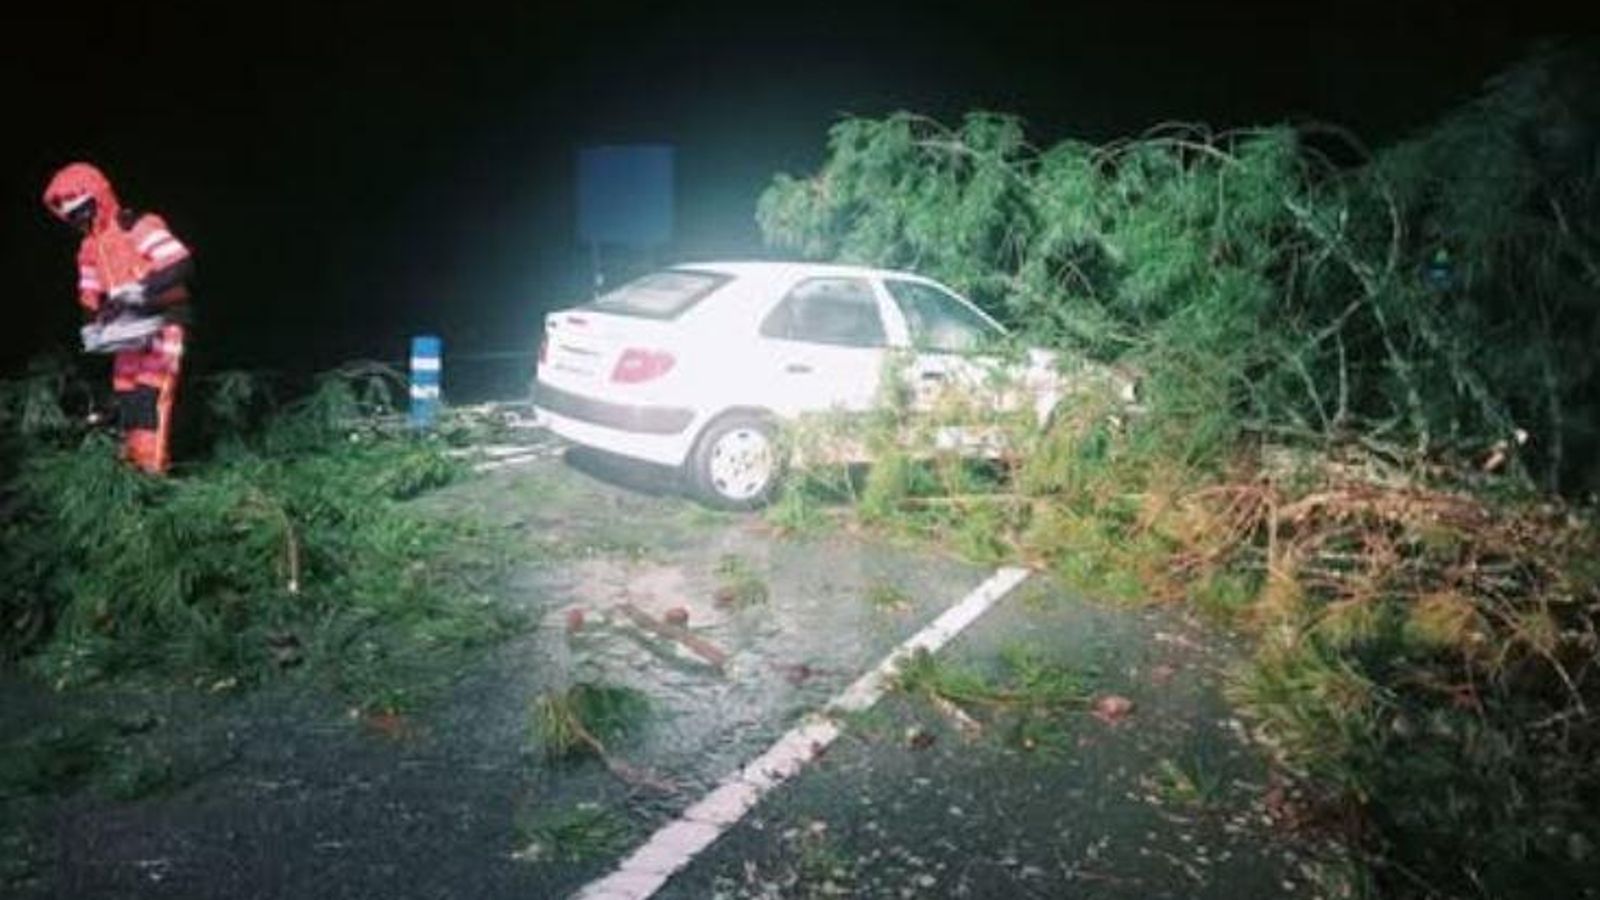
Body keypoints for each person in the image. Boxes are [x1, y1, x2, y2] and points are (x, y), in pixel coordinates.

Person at [43, 162, 193, 474]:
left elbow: (179, 261)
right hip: (127, 331)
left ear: (99, 198)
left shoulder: (136, 226)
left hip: (162, 322)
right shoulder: (88, 248)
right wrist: (91, 327)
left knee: (151, 393)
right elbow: (89, 293)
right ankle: (130, 469)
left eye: (84, 210)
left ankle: (152, 472)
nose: (80, 220)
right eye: (72, 216)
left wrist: (142, 290)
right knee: (126, 393)